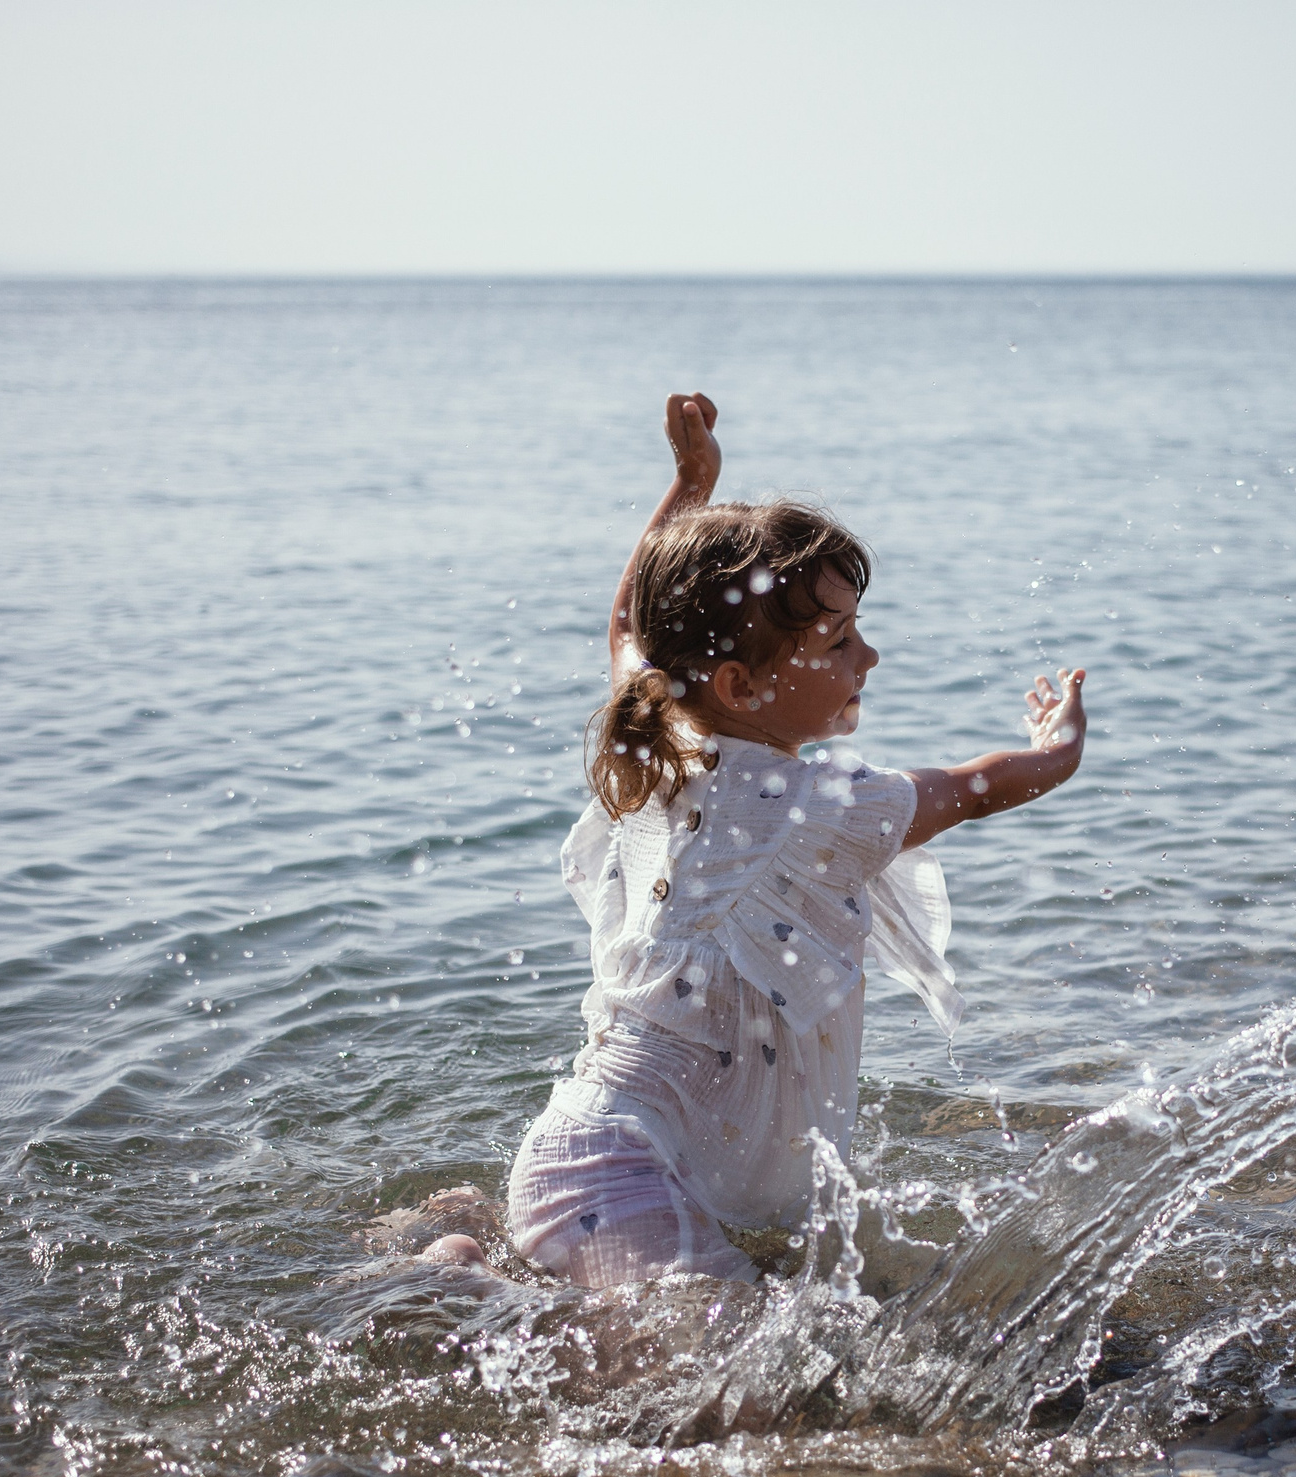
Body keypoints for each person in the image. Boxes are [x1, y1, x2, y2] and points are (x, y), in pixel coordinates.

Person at [424, 392, 1087, 1287]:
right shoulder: (820, 803)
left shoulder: (660, 736)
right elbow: (978, 789)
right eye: (840, 640)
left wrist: (690, 486)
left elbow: (626, 626)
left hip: (585, 1150)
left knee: (693, 1336)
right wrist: (1060, 747)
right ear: (740, 684)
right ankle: (455, 1279)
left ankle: (478, 1259)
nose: (869, 657)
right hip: (618, 1177)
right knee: (737, 1363)